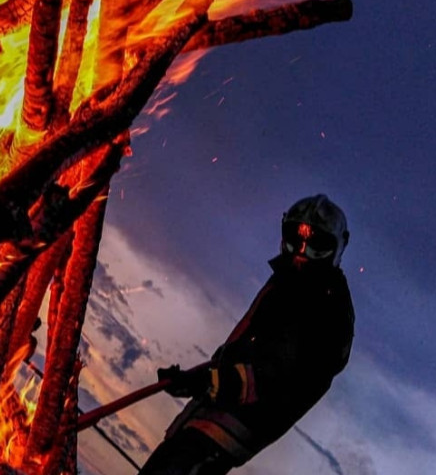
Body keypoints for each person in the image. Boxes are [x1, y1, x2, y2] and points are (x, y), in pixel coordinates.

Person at [139, 194, 355, 475]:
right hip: (209, 417)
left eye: (317, 245)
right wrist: (198, 380)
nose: (303, 250)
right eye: (295, 238)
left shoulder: (327, 304)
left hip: (229, 428)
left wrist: (211, 381)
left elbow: (280, 373)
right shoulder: (288, 282)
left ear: (339, 245)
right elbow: (252, 349)